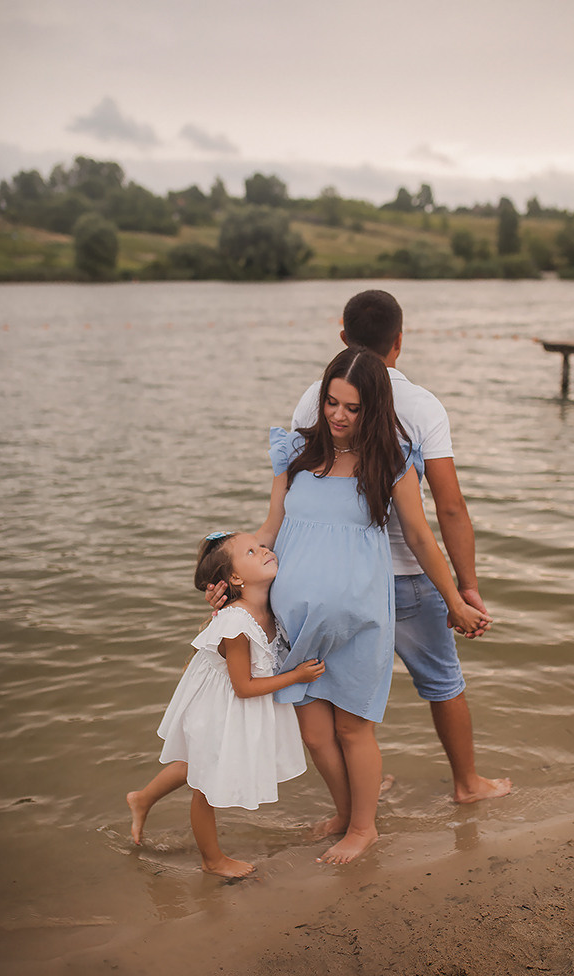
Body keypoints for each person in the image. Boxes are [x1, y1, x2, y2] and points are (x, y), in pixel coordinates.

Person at [255, 347, 490, 864]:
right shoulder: (295, 453)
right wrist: (228, 576)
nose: (338, 415)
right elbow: (270, 527)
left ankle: (364, 829)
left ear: (373, 409)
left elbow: (422, 539)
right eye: (331, 402)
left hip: (360, 617)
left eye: (352, 407)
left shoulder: (391, 462)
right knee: (315, 734)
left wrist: (455, 599)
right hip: (295, 620)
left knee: (351, 727)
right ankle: (344, 814)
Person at [285, 290, 511, 806]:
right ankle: (467, 784)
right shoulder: (423, 405)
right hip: (410, 575)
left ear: (343, 336)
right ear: (399, 343)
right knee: (442, 681)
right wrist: (465, 588)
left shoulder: (316, 397)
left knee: (340, 692)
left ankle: (366, 789)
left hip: (336, 578)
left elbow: (302, 496)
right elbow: (449, 508)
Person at [127, 530, 324, 878]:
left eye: (262, 545)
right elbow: (244, 687)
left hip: (228, 700)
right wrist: (297, 677)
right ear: (234, 577)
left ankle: (142, 799)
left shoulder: (271, 605)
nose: (265, 550)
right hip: (220, 703)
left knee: (199, 762)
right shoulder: (237, 624)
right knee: (207, 783)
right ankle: (212, 860)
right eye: (252, 551)